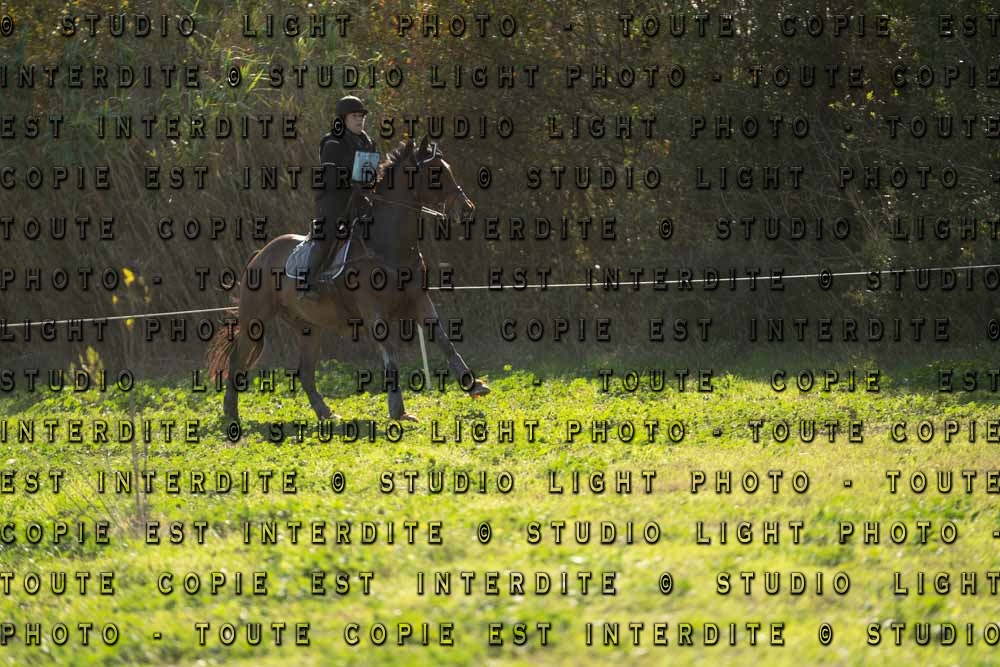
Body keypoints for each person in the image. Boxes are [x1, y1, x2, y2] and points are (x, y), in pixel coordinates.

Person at [302, 95, 378, 296]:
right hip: (333, 201)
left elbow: (371, 175)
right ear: (343, 119)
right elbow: (329, 177)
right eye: (354, 116)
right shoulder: (332, 143)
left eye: (361, 116)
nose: (359, 120)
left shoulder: (369, 143)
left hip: (359, 200)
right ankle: (306, 282)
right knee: (327, 234)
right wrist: (352, 183)